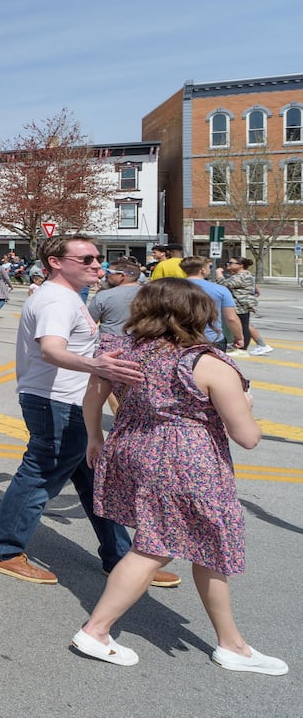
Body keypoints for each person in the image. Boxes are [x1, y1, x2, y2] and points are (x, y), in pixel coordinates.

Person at [72, 279, 285, 675]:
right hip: (187, 461)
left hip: (135, 447)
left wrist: (95, 438)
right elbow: (248, 437)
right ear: (197, 314)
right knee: (157, 545)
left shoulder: (119, 351)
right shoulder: (205, 362)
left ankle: (231, 642)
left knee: (205, 542)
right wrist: (247, 405)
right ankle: (96, 630)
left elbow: (92, 397)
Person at [0, 235, 181, 589]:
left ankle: (120, 557)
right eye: (86, 259)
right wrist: (96, 365)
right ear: (56, 262)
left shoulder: (69, 296)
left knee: (95, 479)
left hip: (70, 402)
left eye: (97, 258)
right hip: (55, 402)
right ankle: (1, 549)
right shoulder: (57, 300)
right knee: (40, 475)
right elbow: (52, 351)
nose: (96, 265)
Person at [182, 256, 243, 347]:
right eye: (208, 267)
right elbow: (231, 318)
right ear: (202, 270)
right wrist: (239, 337)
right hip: (212, 339)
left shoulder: (171, 289)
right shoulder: (220, 289)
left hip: (181, 338)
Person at [220, 257, 273, 356]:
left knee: (243, 326)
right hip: (241, 302)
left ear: (240, 265)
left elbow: (225, 284)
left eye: (231, 263)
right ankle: (259, 345)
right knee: (244, 325)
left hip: (241, 303)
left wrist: (219, 275)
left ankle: (243, 349)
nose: (228, 264)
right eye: (228, 262)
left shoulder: (242, 275)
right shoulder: (242, 275)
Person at [87, 260, 141, 337]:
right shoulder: (152, 294)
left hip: (110, 342)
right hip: (142, 341)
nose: (106, 275)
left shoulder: (104, 296)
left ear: (122, 276)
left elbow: (89, 322)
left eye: (109, 272)